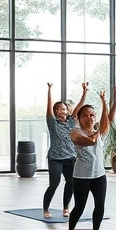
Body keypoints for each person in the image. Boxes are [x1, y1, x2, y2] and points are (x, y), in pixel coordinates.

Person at [67, 87, 116, 230]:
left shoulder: (99, 133)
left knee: (100, 204)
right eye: (85, 115)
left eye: (92, 115)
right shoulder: (75, 132)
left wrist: (105, 102)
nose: (89, 118)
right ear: (79, 118)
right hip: (82, 175)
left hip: (99, 175)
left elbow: (109, 118)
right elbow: (89, 141)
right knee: (79, 206)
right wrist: (96, 133)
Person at [43, 81, 88, 218]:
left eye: (62, 108)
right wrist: (50, 89)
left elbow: (79, 107)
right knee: (54, 184)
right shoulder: (52, 122)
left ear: (67, 110)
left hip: (70, 157)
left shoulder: (71, 121)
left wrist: (84, 92)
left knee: (71, 182)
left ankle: (66, 208)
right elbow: (49, 107)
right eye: (57, 109)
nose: (59, 110)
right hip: (55, 158)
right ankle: (46, 209)